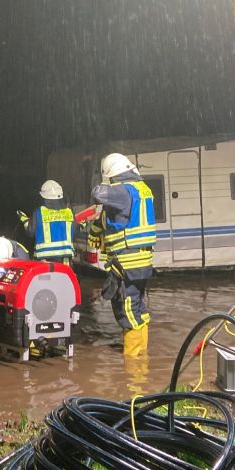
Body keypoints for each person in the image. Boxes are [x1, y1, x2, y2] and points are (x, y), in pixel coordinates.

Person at [88, 153, 157, 357]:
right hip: (141, 263)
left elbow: (98, 193)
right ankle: (142, 358)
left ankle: (133, 369)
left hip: (126, 264)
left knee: (126, 311)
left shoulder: (123, 191)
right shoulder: (142, 190)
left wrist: (103, 182)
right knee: (137, 309)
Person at [18, 180, 74, 264]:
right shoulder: (69, 212)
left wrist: (25, 220)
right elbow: (74, 231)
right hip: (64, 261)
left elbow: (30, 232)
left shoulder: (39, 212)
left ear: (44, 197)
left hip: (43, 261)